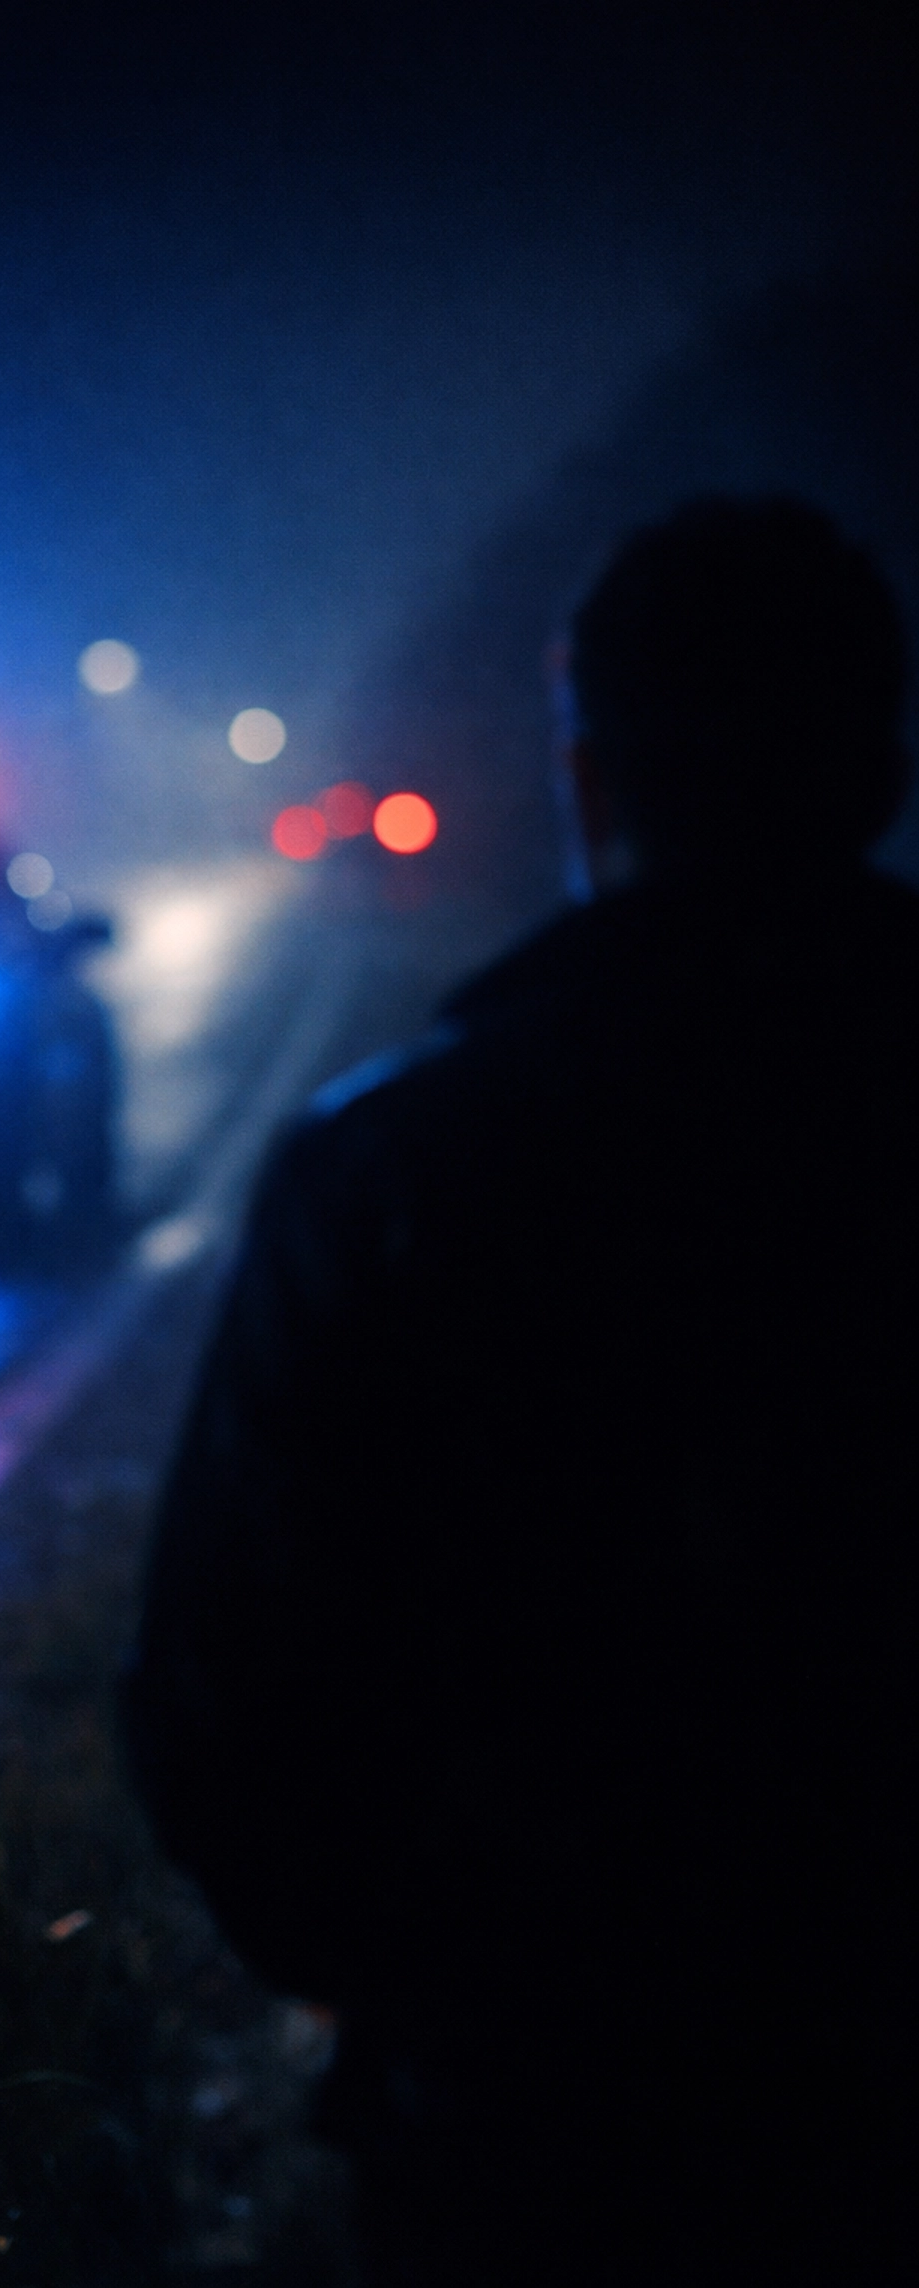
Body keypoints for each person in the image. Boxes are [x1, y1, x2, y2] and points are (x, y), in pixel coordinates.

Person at [122, 498, 916, 2284]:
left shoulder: (399, 1163)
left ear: (590, 784)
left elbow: (219, 1689)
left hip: (533, 2115)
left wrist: (410, 1977)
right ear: (879, 767)